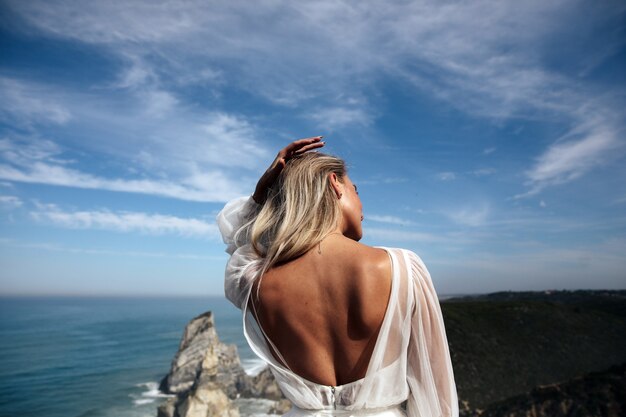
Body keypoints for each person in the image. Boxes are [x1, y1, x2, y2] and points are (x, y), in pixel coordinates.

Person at [217, 137, 459, 417]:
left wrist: (262, 195)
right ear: (335, 183)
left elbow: (239, 242)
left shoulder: (257, 282)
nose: (362, 207)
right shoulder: (401, 268)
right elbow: (436, 395)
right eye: (356, 190)